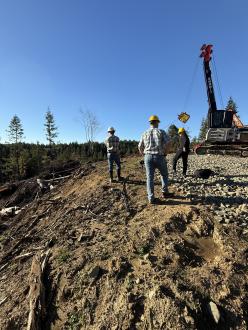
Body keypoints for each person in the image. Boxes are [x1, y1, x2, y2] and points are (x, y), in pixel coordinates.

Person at [138, 115, 173, 204]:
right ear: (157, 122)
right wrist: (166, 152)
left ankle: (151, 198)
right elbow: (169, 142)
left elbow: (140, 146)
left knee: (149, 178)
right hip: (160, 156)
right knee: (164, 174)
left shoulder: (144, 133)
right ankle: (165, 192)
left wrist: (144, 154)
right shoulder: (161, 132)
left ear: (150, 123)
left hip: (148, 157)